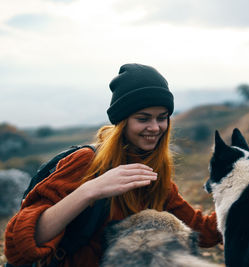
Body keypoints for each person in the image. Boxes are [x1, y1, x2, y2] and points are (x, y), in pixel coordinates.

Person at [5, 63, 222, 267]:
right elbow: (19, 245)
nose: (155, 127)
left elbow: (203, 232)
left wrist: (245, 190)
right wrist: (90, 190)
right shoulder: (86, 162)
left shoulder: (151, 171)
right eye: (143, 119)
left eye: (162, 118)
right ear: (122, 121)